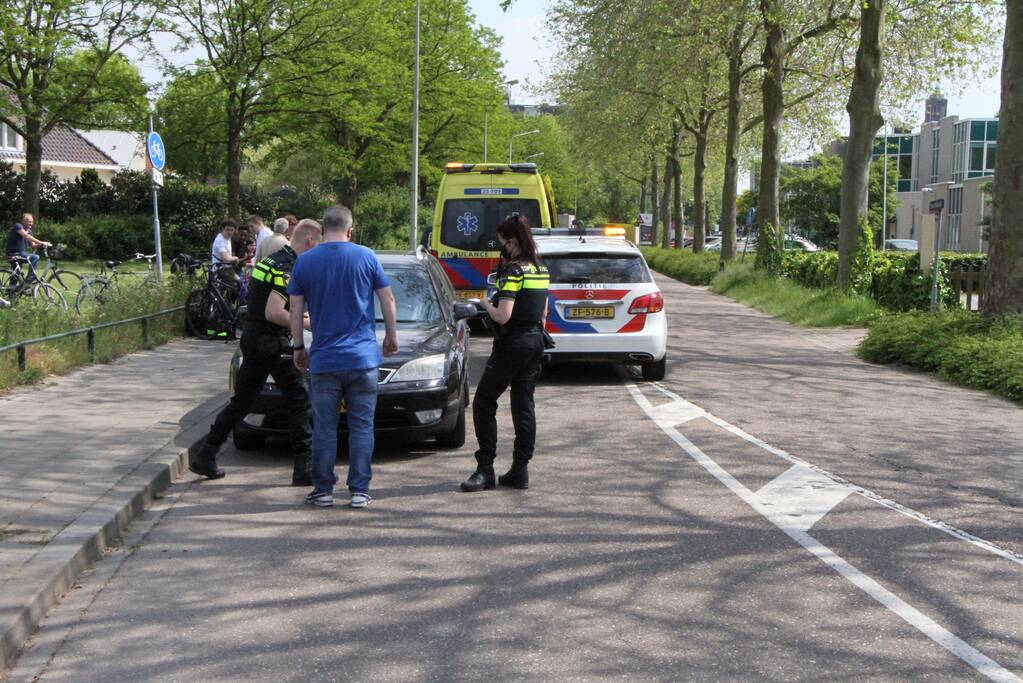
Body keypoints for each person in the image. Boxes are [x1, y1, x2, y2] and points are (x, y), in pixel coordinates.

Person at [189, 220, 324, 484]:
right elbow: (273, 312)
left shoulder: (268, 262)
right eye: (318, 245)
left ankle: (206, 455)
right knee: (299, 400)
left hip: (252, 338)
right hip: (272, 341)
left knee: (242, 401)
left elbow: (263, 303)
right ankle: (304, 469)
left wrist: (296, 313)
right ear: (310, 241)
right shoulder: (288, 267)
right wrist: (306, 323)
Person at [288, 205, 398, 509]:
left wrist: (298, 347)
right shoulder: (366, 256)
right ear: (350, 229)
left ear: (323, 230)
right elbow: (387, 298)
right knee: (362, 426)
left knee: (324, 427)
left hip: (324, 360)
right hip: (362, 358)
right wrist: (390, 336)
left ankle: (323, 490)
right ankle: (359, 491)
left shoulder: (305, 262)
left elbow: (295, 309)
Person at [461, 214, 550, 493]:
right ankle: (519, 470)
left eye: (502, 243)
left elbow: (502, 316)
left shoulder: (514, 272)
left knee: (484, 402)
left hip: (511, 344)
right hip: (535, 342)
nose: (502, 248)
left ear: (511, 241)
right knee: (523, 406)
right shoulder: (540, 270)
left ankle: (485, 469)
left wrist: (485, 302)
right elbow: (544, 312)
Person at [212, 218, 241, 287]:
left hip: (226, 267)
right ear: (222, 229)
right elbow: (225, 258)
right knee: (239, 284)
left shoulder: (227, 238)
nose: (230, 232)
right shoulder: (220, 240)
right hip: (220, 268)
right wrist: (235, 258)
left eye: (232, 230)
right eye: (227, 229)